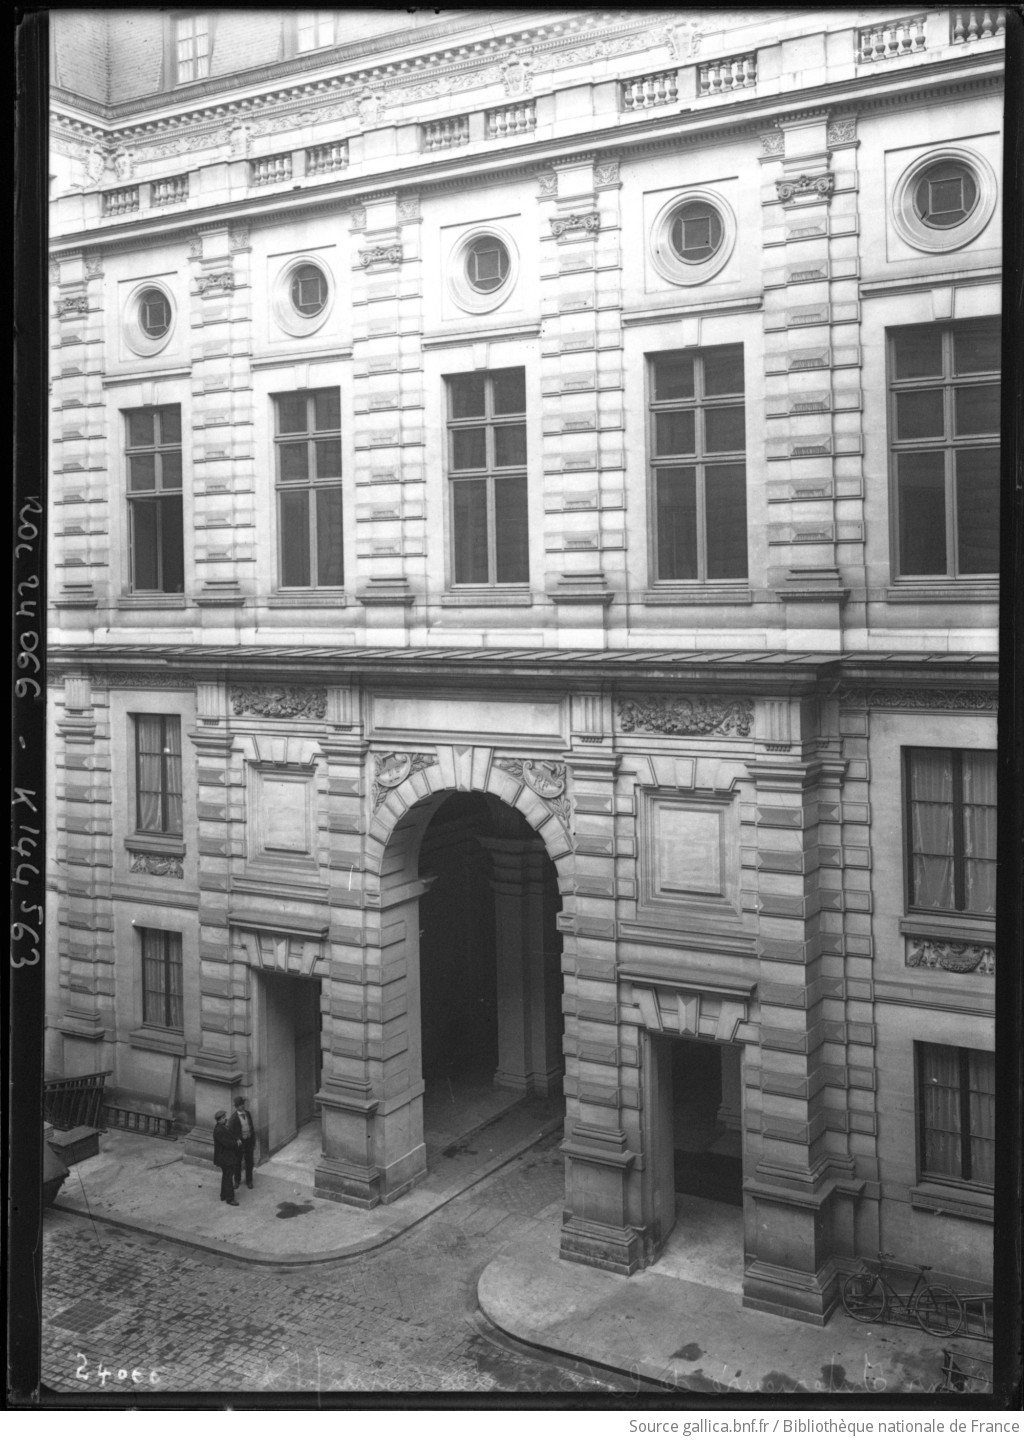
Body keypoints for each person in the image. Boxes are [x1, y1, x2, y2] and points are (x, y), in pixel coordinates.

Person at [212, 1109, 240, 1205]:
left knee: (226, 1176)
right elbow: (227, 1143)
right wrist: (237, 1143)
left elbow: (231, 1135)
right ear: (219, 1120)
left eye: (225, 1117)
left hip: (226, 1157)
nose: (226, 1119)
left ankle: (223, 1195)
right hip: (225, 1158)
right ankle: (230, 1198)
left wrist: (236, 1139)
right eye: (224, 1118)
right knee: (228, 1177)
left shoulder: (222, 1127)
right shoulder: (219, 1130)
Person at [228, 1095, 256, 1189]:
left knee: (249, 1162)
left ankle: (249, 1181)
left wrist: (253, 1140)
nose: (242, 1106)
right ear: (236, 1107)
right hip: (240, 1144)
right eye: (240, 1105)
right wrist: (237, 1139)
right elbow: (230, 1132)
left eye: (243, 1104)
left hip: (248, 1142)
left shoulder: (248, 1114)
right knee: (238, 1163)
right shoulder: (233, 1118)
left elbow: (251, 1127)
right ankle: (237, 1181)